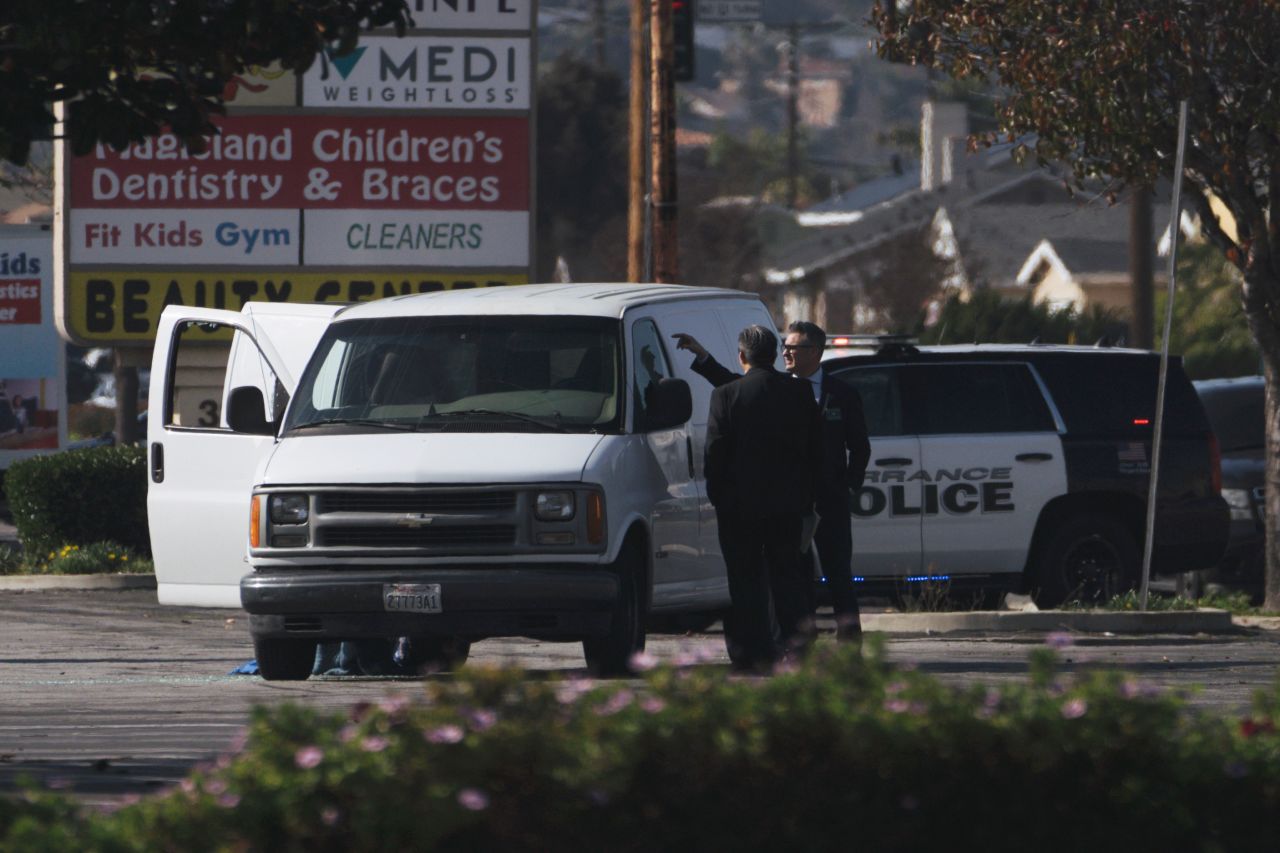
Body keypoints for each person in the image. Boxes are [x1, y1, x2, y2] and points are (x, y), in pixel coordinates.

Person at [674, 320, 871, 642]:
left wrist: (848, 484)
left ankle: (850, 644)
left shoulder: (842, 394)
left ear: (817, 352)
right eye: (785, 347)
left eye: (796, 347)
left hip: (828, 499)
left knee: (838, 573)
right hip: (792, 503)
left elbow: (859, 444)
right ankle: (801, 642)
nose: (787, 353)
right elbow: (736, 386)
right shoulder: (782, 388)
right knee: (796, 576)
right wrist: (703, 357)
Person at [704, 325, 823, 671]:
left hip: (739, 508)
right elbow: (817, 450)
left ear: (741, 356)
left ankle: (753, 652)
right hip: (787, 506)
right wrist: (807, 498)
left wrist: (720, 499)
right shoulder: (799, 392)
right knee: (788, 579)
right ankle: (798, 651)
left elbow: (715, 453)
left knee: (744, 581)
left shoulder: (726, 395)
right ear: (774, 355)